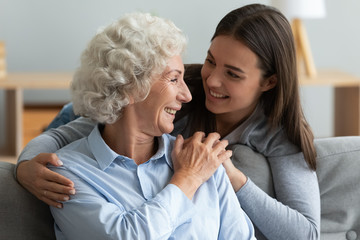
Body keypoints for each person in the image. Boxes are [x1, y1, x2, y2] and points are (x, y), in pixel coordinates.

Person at [16, 4, 320, 240]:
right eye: (211, 60)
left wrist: (230, 176)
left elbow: (302, 233)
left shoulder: (268, 138)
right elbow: (90, 116)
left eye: (233, 74)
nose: (210, 79)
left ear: (269, 82)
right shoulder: (175, 90)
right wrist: (26, 164)